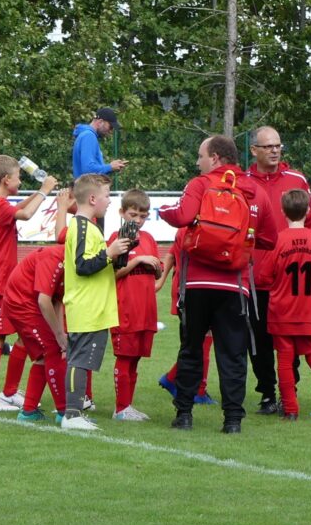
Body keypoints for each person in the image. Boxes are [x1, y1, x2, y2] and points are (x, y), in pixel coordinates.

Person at [160, 135, 260, 434]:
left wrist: (163, 210)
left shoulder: (200, 184)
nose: (198, 162)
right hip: (235, 284)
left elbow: (182, 215)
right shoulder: (252, 188)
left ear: (214, 158)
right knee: (233, 354)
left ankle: (184, 414)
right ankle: (232, 420)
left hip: (197, 282)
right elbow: (267, 235)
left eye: (200, 155)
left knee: (191, 348)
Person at [246, 126, 311, 415]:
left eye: (278, 145)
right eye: (268, 146)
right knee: (259, 339)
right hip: (256, 278)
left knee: (290, 339)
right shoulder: (243, 182)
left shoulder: (296, 180)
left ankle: (290, 391)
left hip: (289, 279)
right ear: (254, 150)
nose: (275, 150)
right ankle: (267, 392)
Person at [0, 154, 57, 412]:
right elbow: (25, 214)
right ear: (5, 179)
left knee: (25, 334)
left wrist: (39, 192)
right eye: (18, 177)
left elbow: (20, 207)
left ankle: (9, 392)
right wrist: (44, 191)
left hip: (7, 282)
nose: (20, 181)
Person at [256, 189, 311, 421]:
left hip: (281, 312)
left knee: (284, 360)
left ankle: (291, 410)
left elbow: (263, 277)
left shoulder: (278, 240)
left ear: (283, 212)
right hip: (308, 311)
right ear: (309, 211)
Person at [60, 173, 131, 431]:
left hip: (94, 308)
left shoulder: (89, 227)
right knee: (79, 360)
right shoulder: (81, 227)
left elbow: (96, 264)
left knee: (82, 360)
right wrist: (109, 252)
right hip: (86, 307)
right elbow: (83, 265)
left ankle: (74, 412)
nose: (109, 201)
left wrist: (116, 256)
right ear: (92, 198)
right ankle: (71, 414)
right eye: (107, 195)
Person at [1, 189, 73, 423]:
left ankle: (29, 411)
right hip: (22, 303)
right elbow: (44, 299)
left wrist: (60, 331)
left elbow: (57, 300)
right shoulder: (55, 258)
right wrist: (58, 336)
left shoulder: (71, 264)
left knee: (46, 353)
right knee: (52, 350)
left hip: (29, 302)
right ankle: (64, 412)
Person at [108, 189, 163, 421]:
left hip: (146, 309)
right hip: (126, 308)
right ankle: (120, 408)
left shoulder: (148, 238)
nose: (138, 220)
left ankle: (127, 406)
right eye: (133, 215)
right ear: (122, 213)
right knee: (125, 357)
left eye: (143, 216)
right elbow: (110, 275)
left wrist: (155, 267)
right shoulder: (116, 238)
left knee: (136, 358)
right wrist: (138, 260)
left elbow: (158, 272)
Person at [154, 226, 216, 406]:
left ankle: (174, 379)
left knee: (198, 340)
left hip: (187, 287)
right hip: (192, 289)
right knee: (202, 340)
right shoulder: (195, 228)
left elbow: (171, 254)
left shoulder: (185, 227)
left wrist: (161, 281)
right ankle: (197, 390)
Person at [71, 107, 127, 180]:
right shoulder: (89, 136)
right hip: (87, 187)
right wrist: (110, 167)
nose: (111, 131)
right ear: (100, 122)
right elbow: (88, 170)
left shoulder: (86, 135)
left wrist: (112, 168)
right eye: (110, 127)